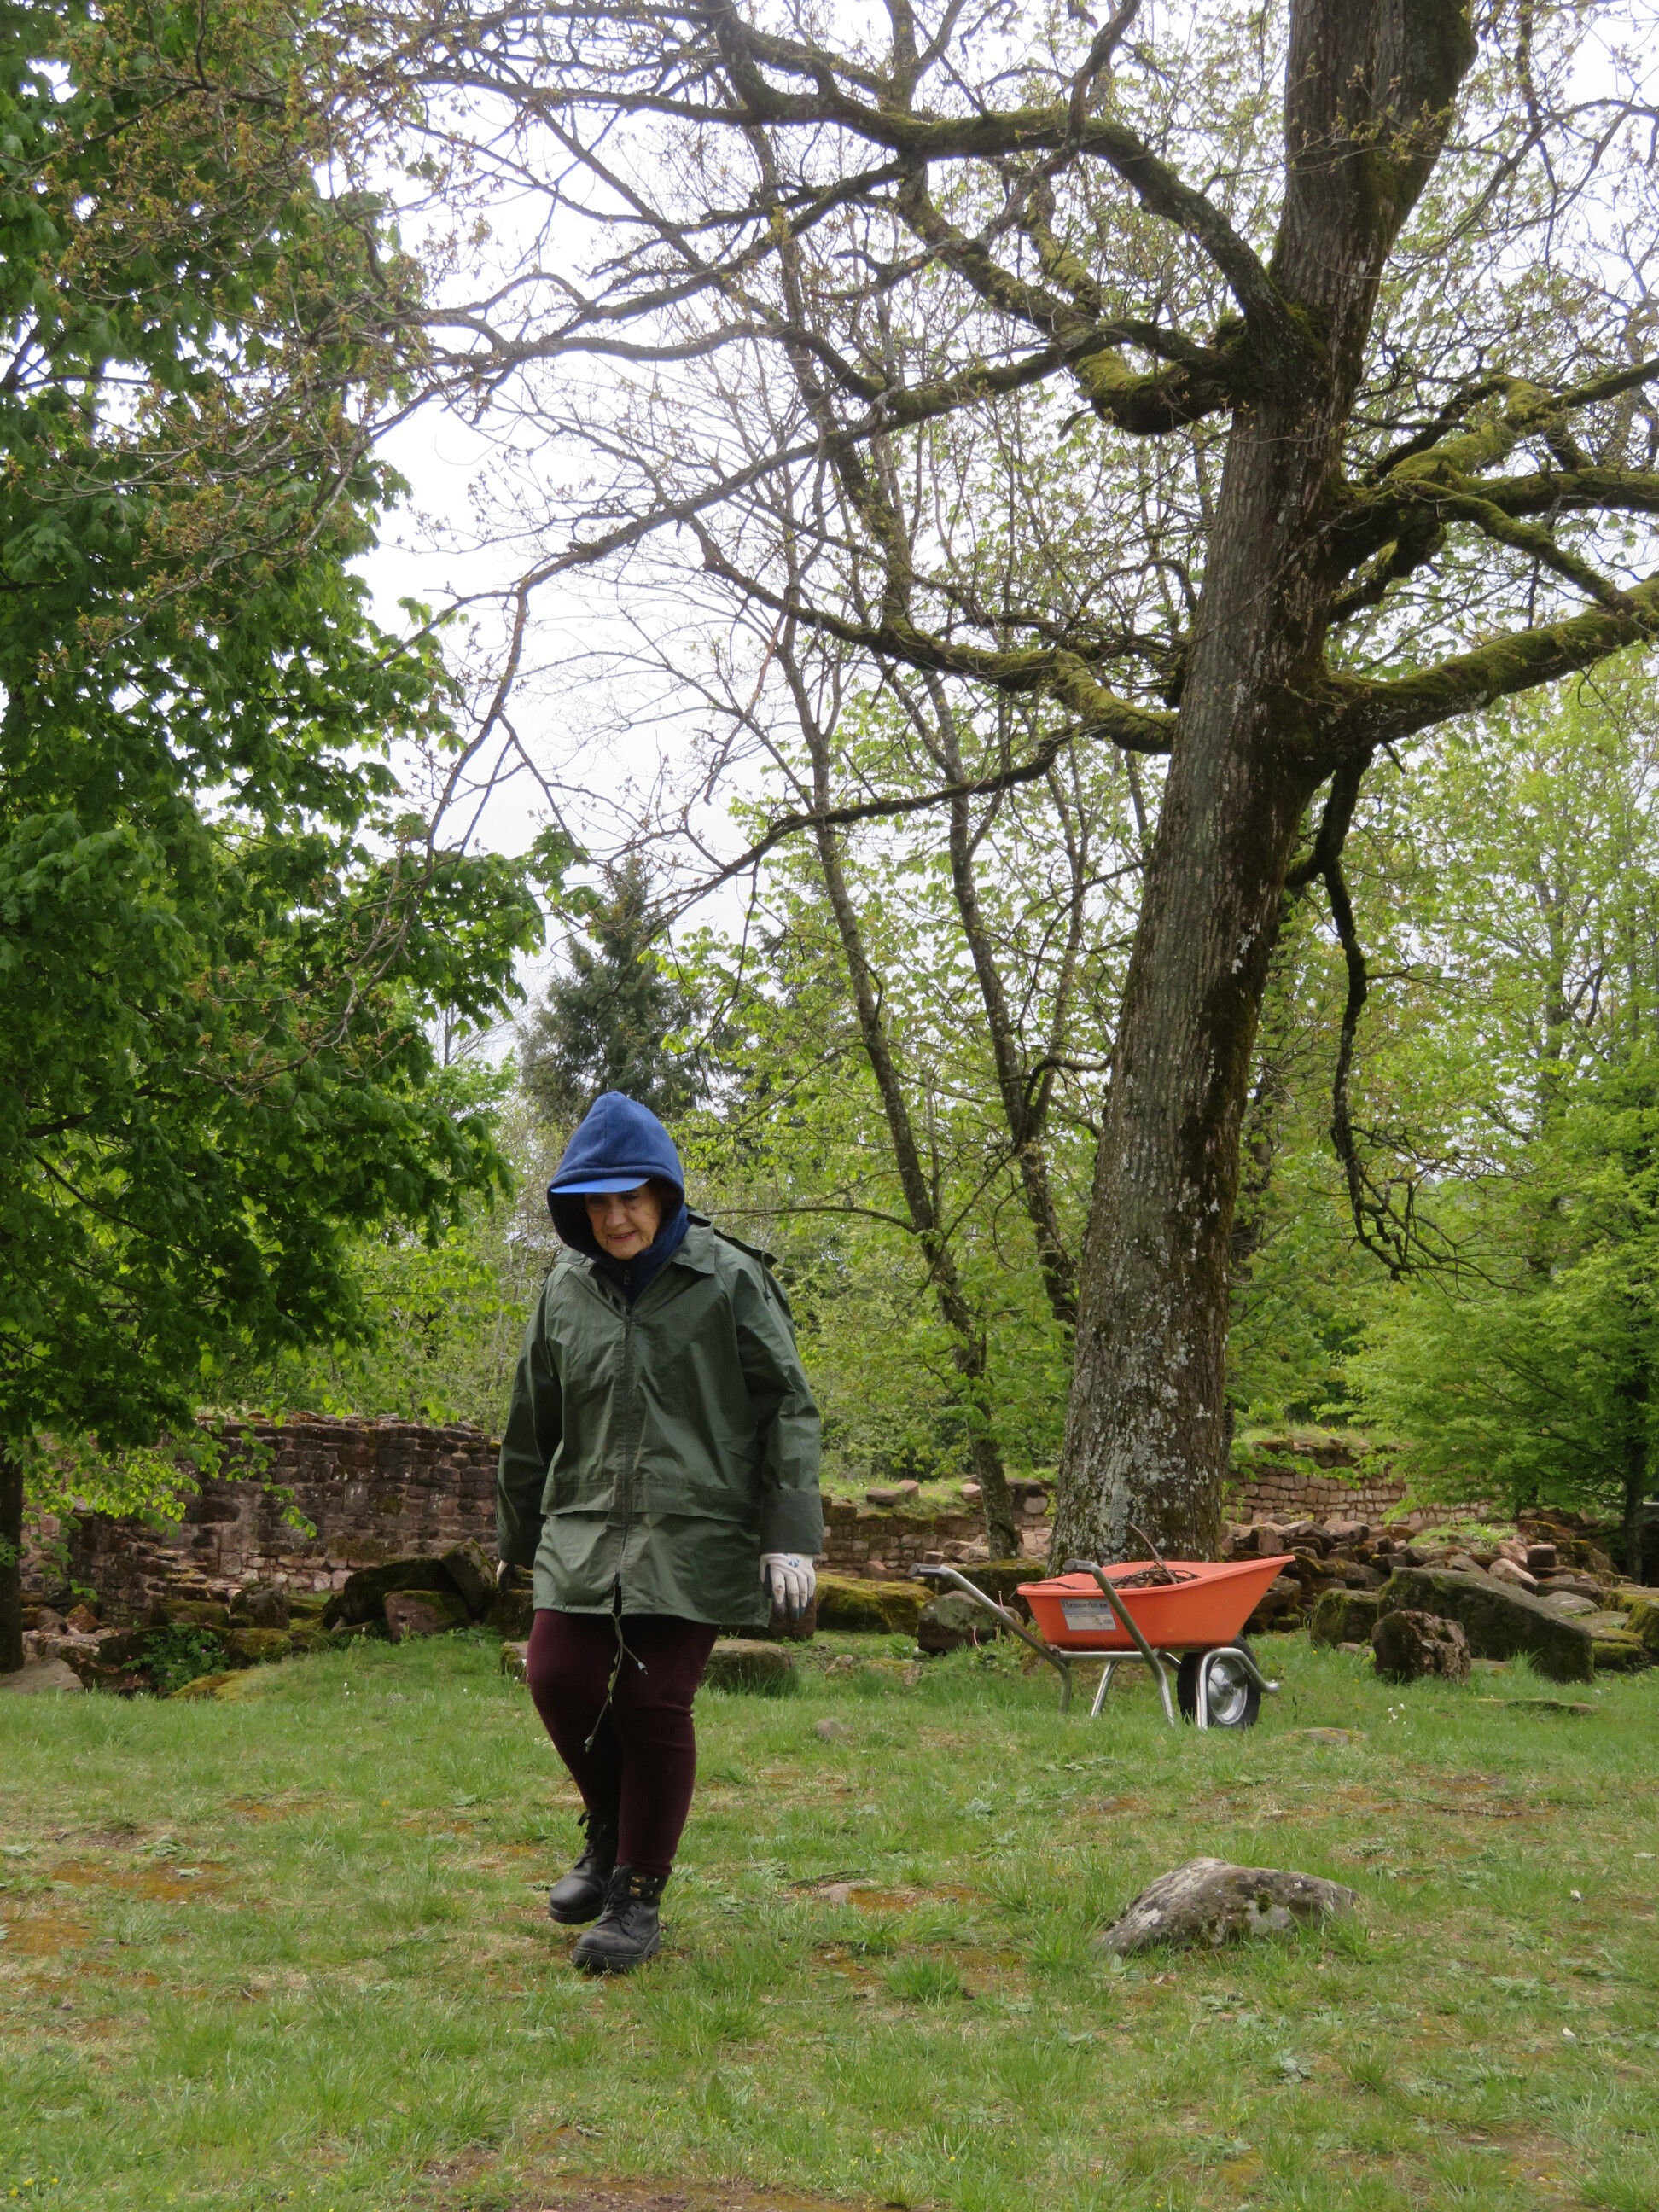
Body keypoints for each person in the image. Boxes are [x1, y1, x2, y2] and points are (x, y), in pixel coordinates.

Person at [497, 1091, 822, 1972]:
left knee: (650, 1702)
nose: (615, 1218)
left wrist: (790, 1533)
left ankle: (636, 1896)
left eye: (631, 1198)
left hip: (698, 1528)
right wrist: (516, 1536)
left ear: (665, 1193)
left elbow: (788, 1408)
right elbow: (533, 1417)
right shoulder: (564, 1289)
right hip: (585, 1522)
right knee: (557, 1676)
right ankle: (609, 1828)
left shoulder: (729, 1278)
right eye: (597, 1203)